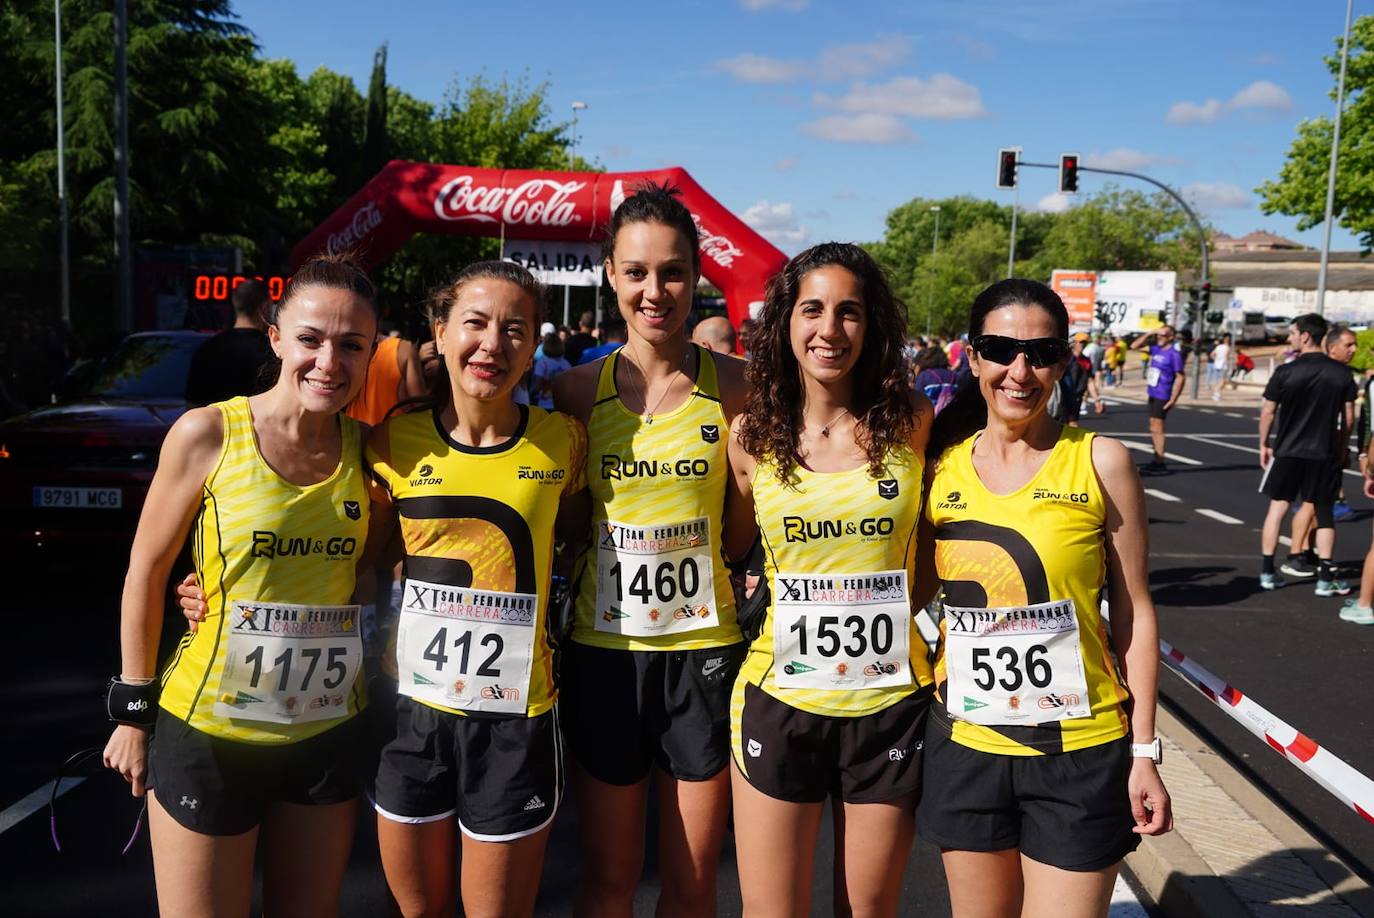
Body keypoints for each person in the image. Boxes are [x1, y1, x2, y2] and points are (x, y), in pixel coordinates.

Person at [103, 254, 382, 917]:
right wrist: (132, 710)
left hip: (325, 731)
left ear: (372, 352)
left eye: (351, 346)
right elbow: (146, 569)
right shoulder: (208, 433)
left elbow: (371, 575)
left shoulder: (373, 452)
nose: (329, 362)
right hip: (209, 733)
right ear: (276, 336)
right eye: (311, 340)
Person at [917, 278, 1172, 918]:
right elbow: (905, 588)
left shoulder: (1101, 461)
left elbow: (1136, 612)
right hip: (968, 747)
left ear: (1063, 361)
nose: (1020, 371)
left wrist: (1145, 752)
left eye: (1042, 353)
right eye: (1000, 349)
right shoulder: (937, 469)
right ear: (972, 357)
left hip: (1079, 753)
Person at [367, 261, 588, 917]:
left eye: (515, 329)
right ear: (440, 330)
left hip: (517, 721)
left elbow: (576, 536)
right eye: (476, 323)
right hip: (410, 716)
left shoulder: (561, 443)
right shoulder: (390, 442)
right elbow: (357, 558)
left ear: (534, 345)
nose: (494, 344)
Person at [553, 183, 750, 916]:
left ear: (696, 276)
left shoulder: (736, 389)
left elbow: (738, 537)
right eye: (636, 272)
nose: (654, 290)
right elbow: (568, 525)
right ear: (610, 273)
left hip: (703, 654)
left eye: (671, 272)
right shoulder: (576, 392)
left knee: (693, 883)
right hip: (605, 657)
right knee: (608, 879)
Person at [725, 243, 935, 916]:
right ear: (785, 322)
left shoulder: (913, 422)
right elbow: (734, 546)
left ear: (872, 326)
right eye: (812, 309)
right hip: (777, 701)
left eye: (850, 312)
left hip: (889, 709)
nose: (830, 329)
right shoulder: (751, 436)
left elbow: (932, 555)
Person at [1258, 314, 1356, 594]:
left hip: (1288, 450)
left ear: (1304, 335)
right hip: (1323, 453)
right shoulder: (1341, 373)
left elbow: (1268, 411)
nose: (1289, 337)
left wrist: (1264, 444)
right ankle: (1325, 578)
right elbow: (1347, 418)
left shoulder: (1285, 371)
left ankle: (1267, 571)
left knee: (1277, 509)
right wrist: (1341, 447)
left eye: (1291, 333)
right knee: (1324, 513)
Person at [184, 278, 275, 406]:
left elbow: (192, 406)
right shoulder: (272, 352)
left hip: (214, 425)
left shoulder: (206, 350)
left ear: (235, 304)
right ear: (265, 307)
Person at [1130, 324, 1185, 474]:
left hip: (1163, 394)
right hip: (1152, 393)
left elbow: (1181, 377)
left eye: (1163, 335)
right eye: (1158, 335)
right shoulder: (1156, 349)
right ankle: (1156, 459)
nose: (1159, 338)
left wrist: (1174, 398)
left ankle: (1160, 461)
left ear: (1171, 338)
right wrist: (1151, 332)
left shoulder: (1174, 354)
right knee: (1153, 426)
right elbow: (1134, 346)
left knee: (1158, 428)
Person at [346, 332, 428, 425]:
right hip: (393, 435)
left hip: (353, 434)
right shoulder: (403, 350)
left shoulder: (343, 349)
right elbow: (421, 408)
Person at [530, 332, 571, 409]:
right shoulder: (566, 363)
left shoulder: (542, 362)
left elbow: (537, 384)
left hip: (544, 403)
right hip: (562, 404)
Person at [913, 345, 958, 415]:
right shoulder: (953, 375)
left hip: (930, 416)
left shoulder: (924, 375)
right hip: (951, 415)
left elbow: (917, 399)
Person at [1207, 333, 1232, 402]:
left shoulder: (1218, 347)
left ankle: (1217, 394)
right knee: (1222, 381)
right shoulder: (1227, 348)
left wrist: (1216, 359)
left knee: (1218, 380)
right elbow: (1226, 357)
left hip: (1216, 365)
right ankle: (1216, 394)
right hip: (1223, 366)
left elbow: (1212, 354)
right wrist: (1227, 366)